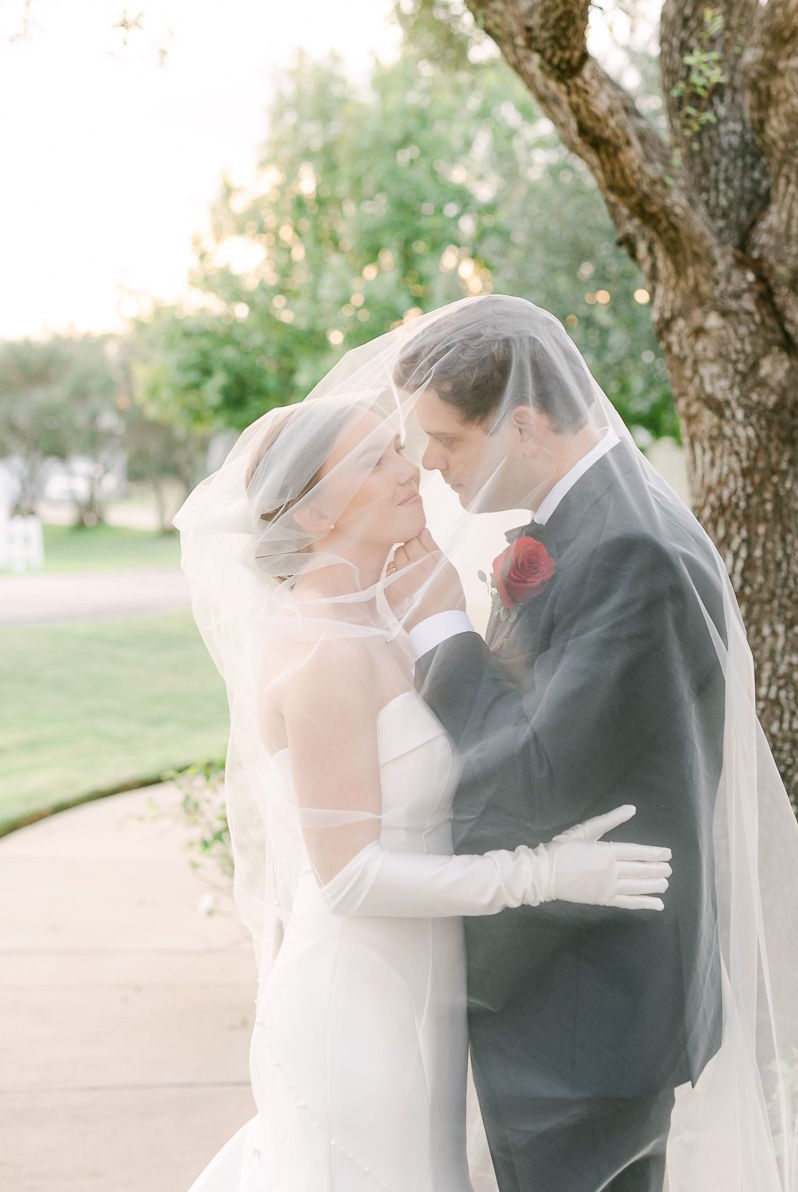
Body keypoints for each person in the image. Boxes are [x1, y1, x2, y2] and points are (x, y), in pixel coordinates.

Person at [175, 294, 798, 1192]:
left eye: (441, 441)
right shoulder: (577, 533)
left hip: (584, 1004)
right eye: (393, 452)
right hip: (440, 986)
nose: (424, 467)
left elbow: (532, 775)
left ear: (524, 426)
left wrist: (444, 631)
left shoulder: (629, 550)